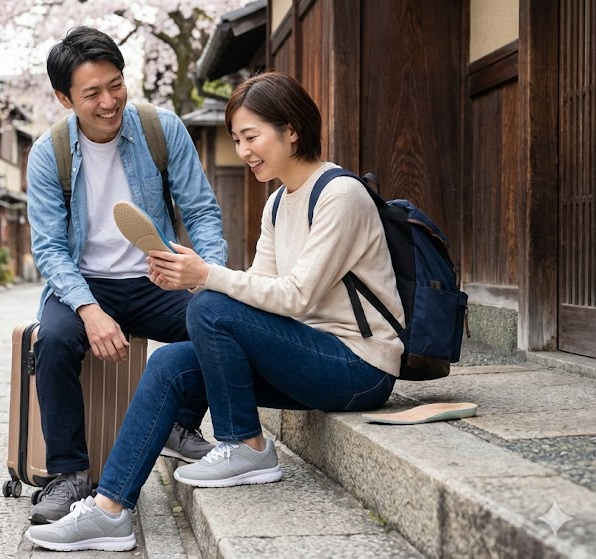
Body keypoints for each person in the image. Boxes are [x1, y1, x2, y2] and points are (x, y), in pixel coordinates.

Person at [25, 71, 404, 552]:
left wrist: (203, 275)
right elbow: (259, 290)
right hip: (306, 353)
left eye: (252, 137)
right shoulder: (276, 205)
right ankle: (109, 510)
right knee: (168, 362)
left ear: (291, 130)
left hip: (358, 366)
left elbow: (297, 297)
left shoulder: (340, 195)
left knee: (208, 305)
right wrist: (190, 276)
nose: (244, 151)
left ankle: (246, 444)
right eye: (237, 139)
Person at [24, 26, 228, 525]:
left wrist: (208, 275)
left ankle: (179, 428)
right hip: (84, 283)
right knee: (51, 339)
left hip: (157, 276)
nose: (109, 101)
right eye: (91, 93)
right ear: (64, 98)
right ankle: (68, 473)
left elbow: (200, 211)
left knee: (220, 320)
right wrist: (89, 310)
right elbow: (49, 248)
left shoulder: (161, 129)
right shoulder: (47, 153)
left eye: (116, 84)